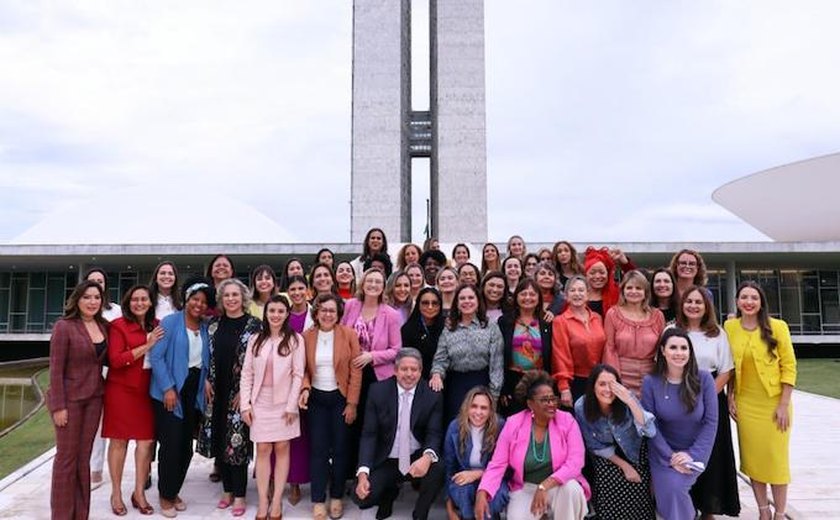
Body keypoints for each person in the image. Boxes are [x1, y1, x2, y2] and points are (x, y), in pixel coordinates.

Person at [724, 281, 796, 520]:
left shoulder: (778, 327)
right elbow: (730, 367)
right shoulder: (730, 327)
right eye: (744, 297)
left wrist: (784, 404)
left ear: (761, 301)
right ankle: (763, 510)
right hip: (746, 403)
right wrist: (730, 396)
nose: (749, 302)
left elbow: (789, 366)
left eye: (754, 297)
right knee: (753, 459)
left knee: (776, 459)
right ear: (737, 301)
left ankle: (780, 513)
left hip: (775, 403)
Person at [476, 370, 590, 520]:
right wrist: (482, 491)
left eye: (552, 398)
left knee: (572, 489)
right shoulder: (513, 424)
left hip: (558, 486)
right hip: (525, 488)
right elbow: (498, 464)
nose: (551, 404)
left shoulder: (567, 421)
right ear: (530, 404)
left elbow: (575, 462)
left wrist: (545, 486)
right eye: (544, 400)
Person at [149, 277, 215, 517]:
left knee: (186, 447)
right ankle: (165, 495)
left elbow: (204, 359)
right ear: (187, 299)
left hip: (193, 390)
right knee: (171, 445)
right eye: (195, 299)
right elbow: (156, 357)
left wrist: (206, 378)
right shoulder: (170, 322)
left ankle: (173, 490)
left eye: (203, 302)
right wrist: (167, 388)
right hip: (170, 391)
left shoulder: (206, 327)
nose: (198, 304)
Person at [354, 348, 445, 520]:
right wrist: (363, 474)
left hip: (415, 456)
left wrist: (426, 458)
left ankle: (420, 512)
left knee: (438, 467)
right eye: (404, 369)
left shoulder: (432, 395)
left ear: (420, 371)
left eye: (414, 369)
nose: (409, 374)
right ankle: (388, 494)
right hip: (387, 457)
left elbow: (434, 433)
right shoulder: (377, 391)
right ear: (395, 371)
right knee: (361, 497)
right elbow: (369, 434)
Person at [198, 278, 261, 516]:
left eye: (235, 295)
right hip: (217, 391)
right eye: (227, 296)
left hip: (240, 393)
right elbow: (204, 355)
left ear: (243, 298)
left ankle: (240, 494)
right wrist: (205, 378)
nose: (231, 299)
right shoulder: (213, 324)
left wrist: (248, 394)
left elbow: (258, 362)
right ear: (221, 300)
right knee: (220, 441)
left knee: (238, 444)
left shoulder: (255, 325)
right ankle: (226, 490)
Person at [675, 286, 740, 518]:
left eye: (698, 302)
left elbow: (726, 369)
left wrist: (705, 397)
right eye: (689, 301)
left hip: (711, 396)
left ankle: (709, 507)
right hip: (678, 397)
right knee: (683, 451)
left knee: (711, 453)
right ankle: (686, 504)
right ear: (682, 304)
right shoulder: (673, 329)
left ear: (706, 307)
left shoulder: (718, 334)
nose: (693, 306)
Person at [240, 295, 305, 520]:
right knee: (264, 449)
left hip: (285, 404)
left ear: (287, 314)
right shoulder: (255, 339)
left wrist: (291, 405)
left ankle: (276, 501)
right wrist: (245, 405)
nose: (275, 315)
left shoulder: (296, 340)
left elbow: (298, 375)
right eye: (272, 311)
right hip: (260, 402)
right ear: (265, 314)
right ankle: (263, 501)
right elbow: (246, 373)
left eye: (280, 311)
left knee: (282, 448)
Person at [641, 328, 718, 520]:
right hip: (662, 453)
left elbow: (711, 422)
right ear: (663, 351)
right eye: (673, 347)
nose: (679, 352)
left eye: (684, 348)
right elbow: (651, 426)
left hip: (695, 452)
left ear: (690, 352)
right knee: (668, 491)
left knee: (675, 488)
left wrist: (691, 455)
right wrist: (671, 456)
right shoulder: (650, 382)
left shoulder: (705, 379)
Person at [48, 280, 109, 520]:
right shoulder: (64, 326)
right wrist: (58, 406)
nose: (92, 301)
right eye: (87, 297)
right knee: (66, 459)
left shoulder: (103, 326)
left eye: (96, 297)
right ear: (77, 300)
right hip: (69, 401)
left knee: (83, 458)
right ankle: (62, 515)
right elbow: (55, 369)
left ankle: (80, 514)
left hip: (94, 399)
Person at [299, 294, 362, 520]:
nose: (327, 314)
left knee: (341, 449)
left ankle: (336, 496)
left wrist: (352, 403)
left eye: (332, 311)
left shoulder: (349, 335)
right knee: (318, 451)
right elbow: (302, 368)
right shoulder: (306, 337)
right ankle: (317, 500)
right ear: (316, 312)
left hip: (340, 399)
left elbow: (356, 371)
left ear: (338, 314)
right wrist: (305, 388)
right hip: (316, 399)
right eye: (323, 310)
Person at [103, 285, 164, 516]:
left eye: (144, 299)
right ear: (128, 303)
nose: (139, 303)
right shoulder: (118, 326)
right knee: (119, 442)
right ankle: (116, 493)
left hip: (147, 391)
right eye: (135, 299)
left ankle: (139, 492)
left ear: (150, 302)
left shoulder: (158, 325)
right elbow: (116, 360)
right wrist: (146, 345)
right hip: (121, 391)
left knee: (147, 442)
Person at [341, 267, 403, 480]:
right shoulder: (350, 306)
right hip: (351, 374)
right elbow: (340, 335)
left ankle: (373, 474)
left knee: (374, 426)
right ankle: (350, 474)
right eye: (370, 281)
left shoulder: (391, 314)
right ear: (362, 283)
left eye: (378, 282)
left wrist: (371, 356)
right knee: (352, 424)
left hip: (378, 377)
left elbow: (396, 350)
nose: (373, 285)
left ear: (383, 286)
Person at [574, 364, 656, 520]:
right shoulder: (581, 407)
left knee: (639, 485)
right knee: (609, 476)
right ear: (593, 386)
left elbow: (649, 430)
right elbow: (594, 446)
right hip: (606, 454)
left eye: (612, 384)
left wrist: (630, 401)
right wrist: (625, 467)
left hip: (634, 450)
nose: (607, 389)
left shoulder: (626, 398)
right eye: (602, 384)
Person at [430, 284, 504, 424]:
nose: (466, 301)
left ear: (478, 302)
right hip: (456, 385)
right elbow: (440, 359)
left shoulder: (490, 327)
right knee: (456, 427)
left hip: (481, 383)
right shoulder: (449, 328)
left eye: (471, 297)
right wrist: (436, 374)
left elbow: (497, 364)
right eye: (462, 298)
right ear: (457, 304)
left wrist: (493, 396)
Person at [443, 387, 508, 520]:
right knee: (462, 491)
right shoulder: (455, 427)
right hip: (464, 477)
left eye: (484, 408)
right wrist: (450, 510)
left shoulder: (501, 427)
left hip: (493, 478)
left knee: (494, 498)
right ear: (467, 407)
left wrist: (478, 474)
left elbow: (509, 469)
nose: (478, 412)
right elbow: (449, 469)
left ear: (491, 411)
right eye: (474, 406)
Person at [84, 267, 121, 489]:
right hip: (86, 374)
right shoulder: (81, 312)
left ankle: (96, 470)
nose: (98, 283)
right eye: (93, 281)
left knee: (101, 424)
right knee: (87, 423)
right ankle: (84, 467)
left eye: (101, 280)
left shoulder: (114, 311)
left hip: (110, 372)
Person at [603, 270, 665, 396]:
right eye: (629, 287)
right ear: (623, 291)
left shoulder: (657, 316)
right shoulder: (613, 314)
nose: (633, 291)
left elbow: (662, 350)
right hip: (621, 375)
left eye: (638, 288)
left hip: (651, 376)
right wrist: (614, 380)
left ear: (645, 292)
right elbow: (610, 348)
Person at [498, 279, 553, 416]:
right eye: (523, 294)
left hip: (540, 379)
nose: (528, 298)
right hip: (513, 380)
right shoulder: (505, 321)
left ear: (538, 298)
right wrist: (503, 388)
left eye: (532, 294)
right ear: (516, 297)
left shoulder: (547, 322)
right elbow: (499, 355)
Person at [552, 275, 607, 406]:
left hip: (599, 378)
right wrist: (564, 387)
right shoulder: (561, 321)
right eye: (572, 290)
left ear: (588, 294)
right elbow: (560, 355)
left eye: (581, 290)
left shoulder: (597, 318)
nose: (577, 294)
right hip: (575, 382)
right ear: (566, 296)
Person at [401, 287, 445, 381]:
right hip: (415, 379)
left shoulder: (447, 326)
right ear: (418, 305)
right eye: (425, 303)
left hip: (444, 377)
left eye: (435, 303)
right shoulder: (408, 329)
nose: (430, 307)